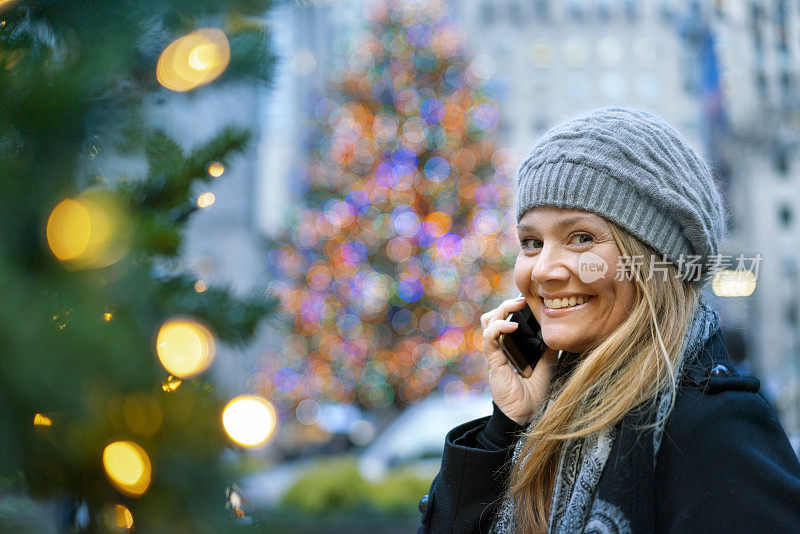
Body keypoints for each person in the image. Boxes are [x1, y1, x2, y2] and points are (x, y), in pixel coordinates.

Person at [416, 107, 800, 533]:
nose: (543, 269)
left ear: (655, 260)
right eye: (531, 241)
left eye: (581, 238)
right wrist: (505, 427)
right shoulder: (545, 422)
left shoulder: (713, 430)